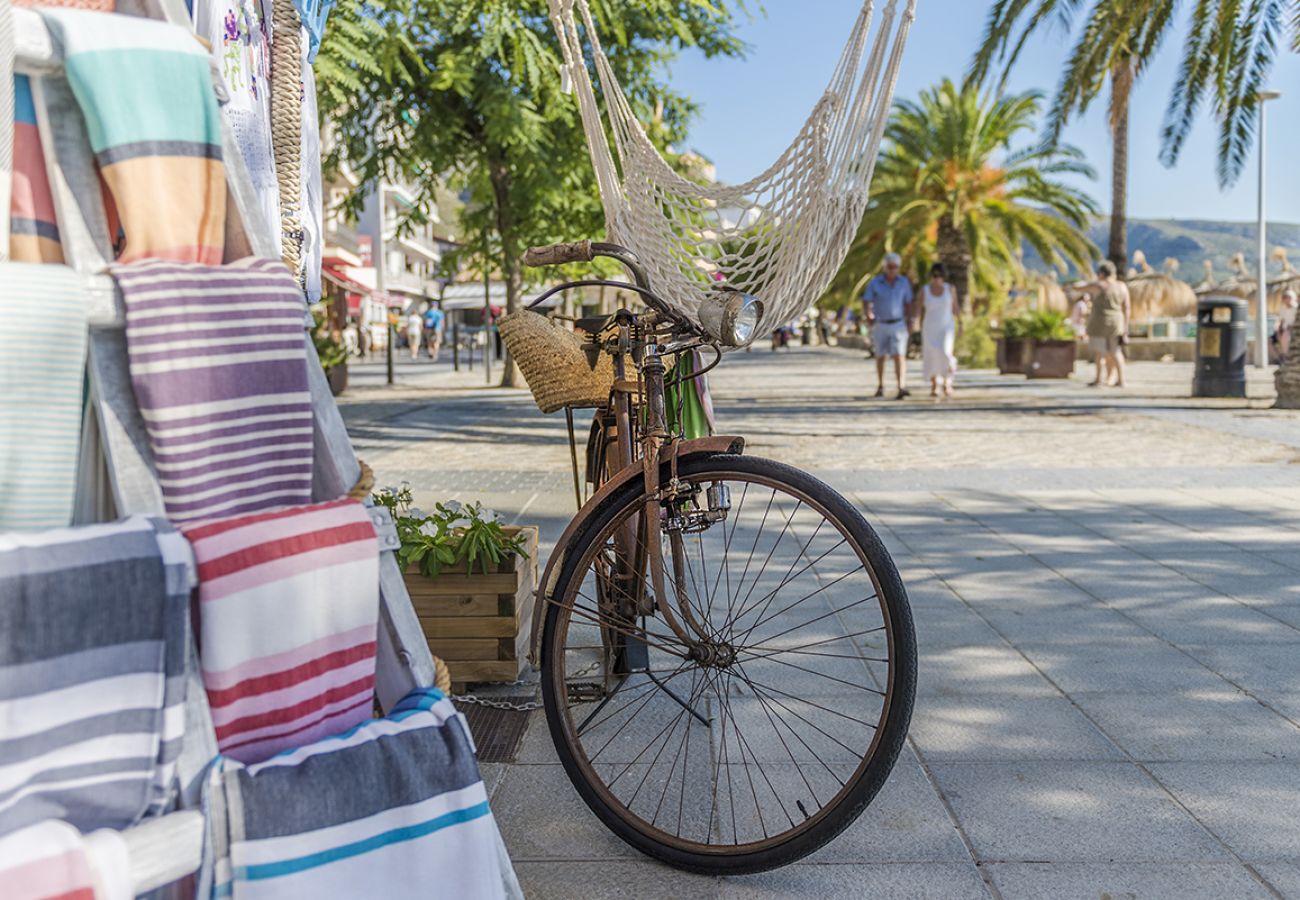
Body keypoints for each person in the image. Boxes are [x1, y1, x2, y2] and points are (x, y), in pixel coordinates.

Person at [864, 253, 913, 398]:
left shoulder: (904, 282)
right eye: (890, 267)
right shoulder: (875, 283)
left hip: (898, 323)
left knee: (899, 355)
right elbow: (866, 300)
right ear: (885, 267)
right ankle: (880, 386)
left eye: (895, 267)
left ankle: (901, 386)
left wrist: (911, 321)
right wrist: (868, 315)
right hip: (881, 323)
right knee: (881, 356)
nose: (892, 270)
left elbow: (909, 302)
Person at [918, 262, 961, 398]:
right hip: (930, 327)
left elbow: (956, 307)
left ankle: (948, 381)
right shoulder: (924, 290)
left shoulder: (950, 289)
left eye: (940, 275)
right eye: (935, 275)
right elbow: (918, 308)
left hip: (946, 326)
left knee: (945, 352)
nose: (937, 278)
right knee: (931, 354)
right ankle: (934, 384)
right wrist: (913, 322)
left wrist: (961, 323)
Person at [1086, 260, 1131, 388]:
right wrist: (1126, 326)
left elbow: (1080, 288)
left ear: (1101, 273)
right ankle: (1121, 380)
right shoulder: (1122, 286)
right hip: (1117, 324)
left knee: (1099, 353)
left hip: (1099, 323)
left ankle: (1098, 380)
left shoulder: (1099, 286)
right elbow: (1127, 308)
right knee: (1116, 352)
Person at [1272, 289, 1298, 363]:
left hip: (1293, 331)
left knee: (1285, 335)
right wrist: (1277, 327)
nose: (1286, 299)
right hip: (1283, 330)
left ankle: (1286, 358)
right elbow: (1280, 320)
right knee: (1268, 341)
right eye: (1285, 297)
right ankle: (1278, 359)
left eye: (1288, 297)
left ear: (1294, 298)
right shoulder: (1283, 309)